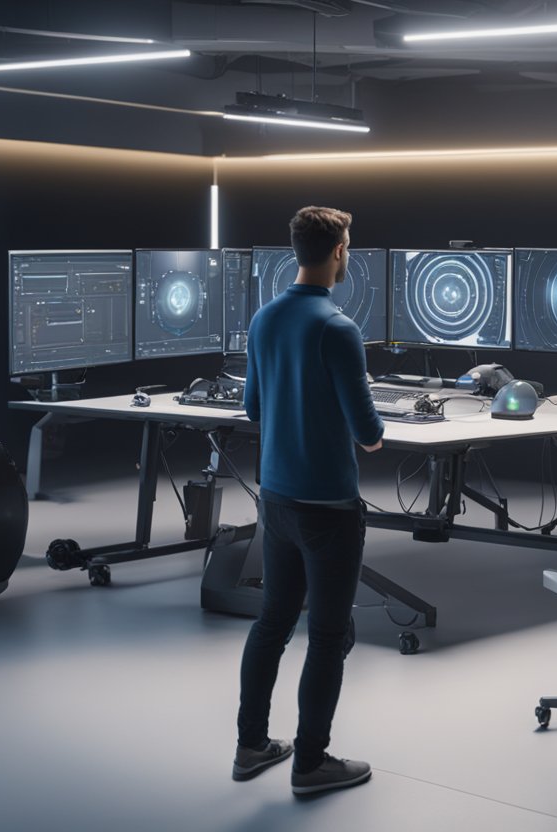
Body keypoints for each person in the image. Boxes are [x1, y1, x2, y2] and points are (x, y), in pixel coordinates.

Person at [233, 206, 384, 795]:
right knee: (328, 635)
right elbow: (368, 432)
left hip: (276, 500)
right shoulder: (338, 329)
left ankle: (251, 746)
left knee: (272, 623)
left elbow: (252, 408)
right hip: (328, 509)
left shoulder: (264, 319)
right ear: (339, 250)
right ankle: (311, 763)